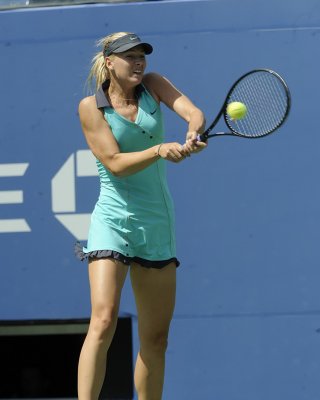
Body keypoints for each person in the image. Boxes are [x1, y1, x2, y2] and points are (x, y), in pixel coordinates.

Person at [76, 31, 206, 400]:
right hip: (112, 221)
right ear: (109, 62)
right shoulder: (91, 107)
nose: (138, 63)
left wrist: (193, 132)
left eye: (141, 56)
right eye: (128, 56)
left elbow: (192, 112)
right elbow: (115, 164)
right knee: (103, 320)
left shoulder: (154, 85)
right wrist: (159, 150)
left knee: (156, 338)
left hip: (156, 224)